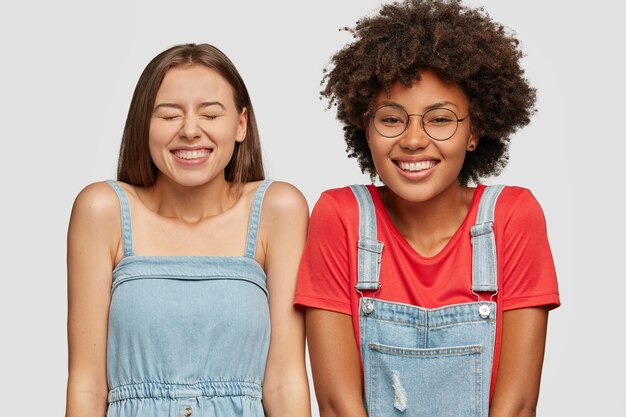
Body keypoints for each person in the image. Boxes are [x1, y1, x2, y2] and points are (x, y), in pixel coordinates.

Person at [295, 1, 560, 416]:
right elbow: (336, 404)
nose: (414, 140)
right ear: (365, 128)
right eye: (391, 119)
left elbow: (518, 405)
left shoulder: (512, 216)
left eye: (439, 120)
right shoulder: (339, 215)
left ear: (474, 132)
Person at [65, 43, 310, 417]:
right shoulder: (103, 210)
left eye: (211, 115)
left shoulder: (279, 209)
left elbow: (284, 380)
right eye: (168, 116)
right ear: (143, 124)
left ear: (241, 124)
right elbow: (87, 383)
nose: (191, 131)